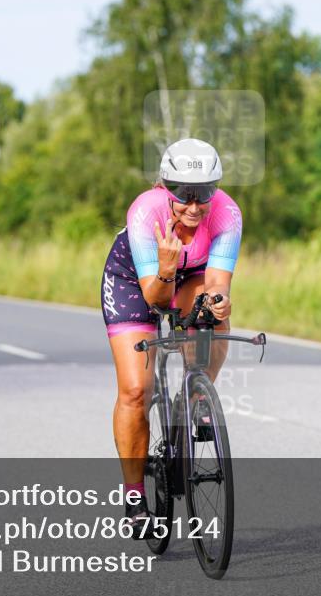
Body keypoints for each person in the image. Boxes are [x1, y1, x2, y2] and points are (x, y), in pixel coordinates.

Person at [100, 138, 242, 537]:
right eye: (185, 196)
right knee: (135, 389)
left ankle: (197, 395)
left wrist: (219, 303)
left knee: (211, 318)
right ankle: (133, 495)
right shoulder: (145, 212)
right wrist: (165, 267)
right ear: (165, 186)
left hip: (188, 274)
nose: (196, 207)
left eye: (206, 194)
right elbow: (155, 298)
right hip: (137, 280)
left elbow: (216, 281)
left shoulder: (228, 213)